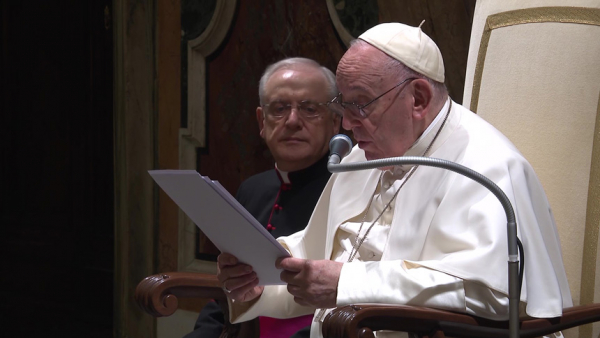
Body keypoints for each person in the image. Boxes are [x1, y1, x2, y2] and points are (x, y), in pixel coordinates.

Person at [217, 22, 573, 338]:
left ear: (418, 98)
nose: (346, 125)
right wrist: (260, 279)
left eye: (360, 104)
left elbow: (493, 292)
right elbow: (316, 254)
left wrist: (347, 283)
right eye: (344, 104)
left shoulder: (488, 166)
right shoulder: (365, 155)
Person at [184, 57, 341, 338]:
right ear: (261, 120)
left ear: (336, 122)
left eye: (309, 109)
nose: (293, 121)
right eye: (279, 109)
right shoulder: (252, 190)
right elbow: (227, 292)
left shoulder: (348, 191)